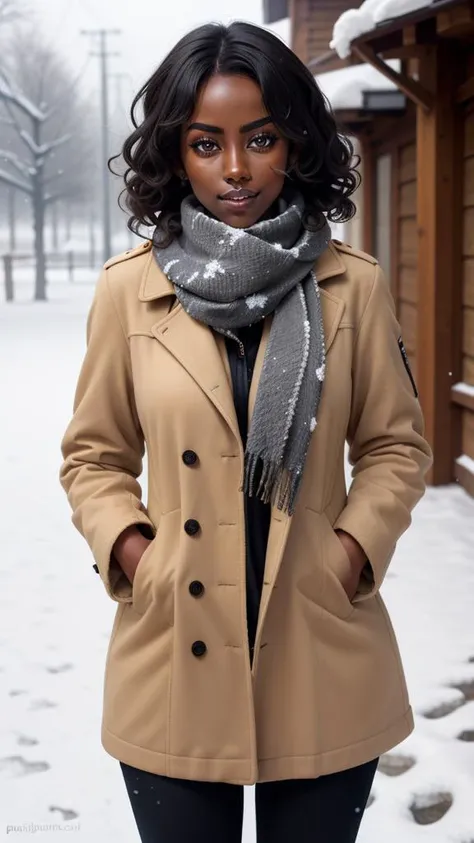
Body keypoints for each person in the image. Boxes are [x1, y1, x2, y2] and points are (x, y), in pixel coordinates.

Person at [59, 20, 433, 843]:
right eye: (206, 142)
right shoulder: (129, 294)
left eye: (259, 138)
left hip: (321, 647)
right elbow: (94, 456)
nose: (236, 169)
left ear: (295, 142)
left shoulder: (353, 288)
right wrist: (134, 552)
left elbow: (396, 447)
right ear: (175, 154)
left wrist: (352, 553)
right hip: (175, 653)